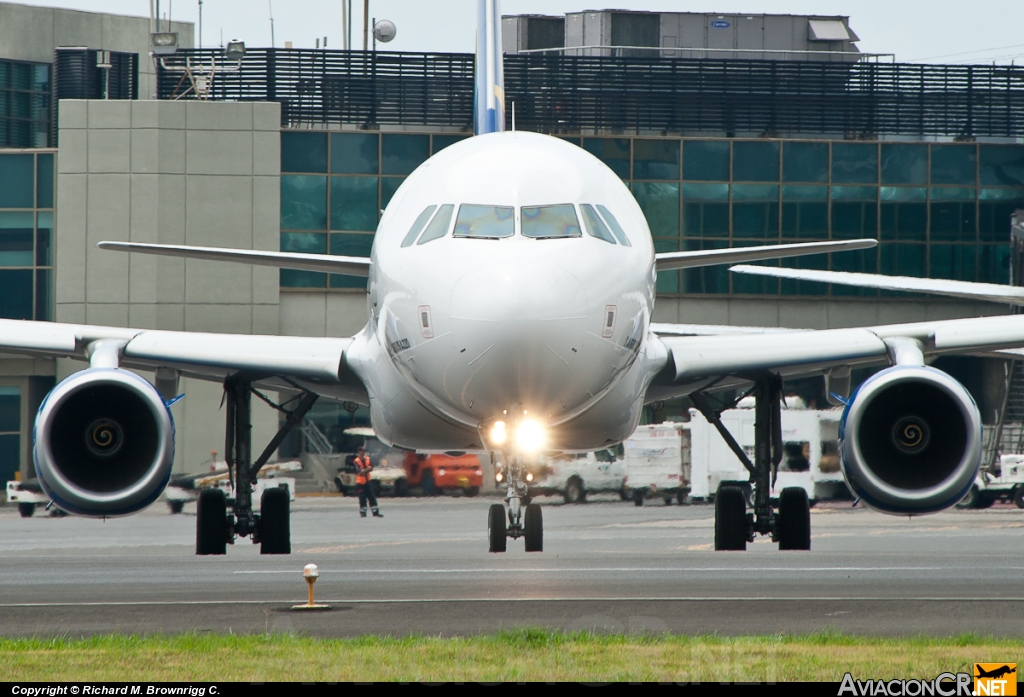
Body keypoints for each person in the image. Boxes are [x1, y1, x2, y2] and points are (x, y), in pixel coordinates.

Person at [354, 445, 382, 518]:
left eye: (364, 451)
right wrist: (366, 469)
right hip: (360, 483)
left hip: (368, 482)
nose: (363, 452)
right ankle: (363, 513)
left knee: (372, 497)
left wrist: (364, 470)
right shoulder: (356, 461)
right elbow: (359, 472)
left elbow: (371, 468)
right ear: (359, 452)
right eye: (362, 451)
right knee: (362, 499)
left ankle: (375, 512)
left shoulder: (367, 459)